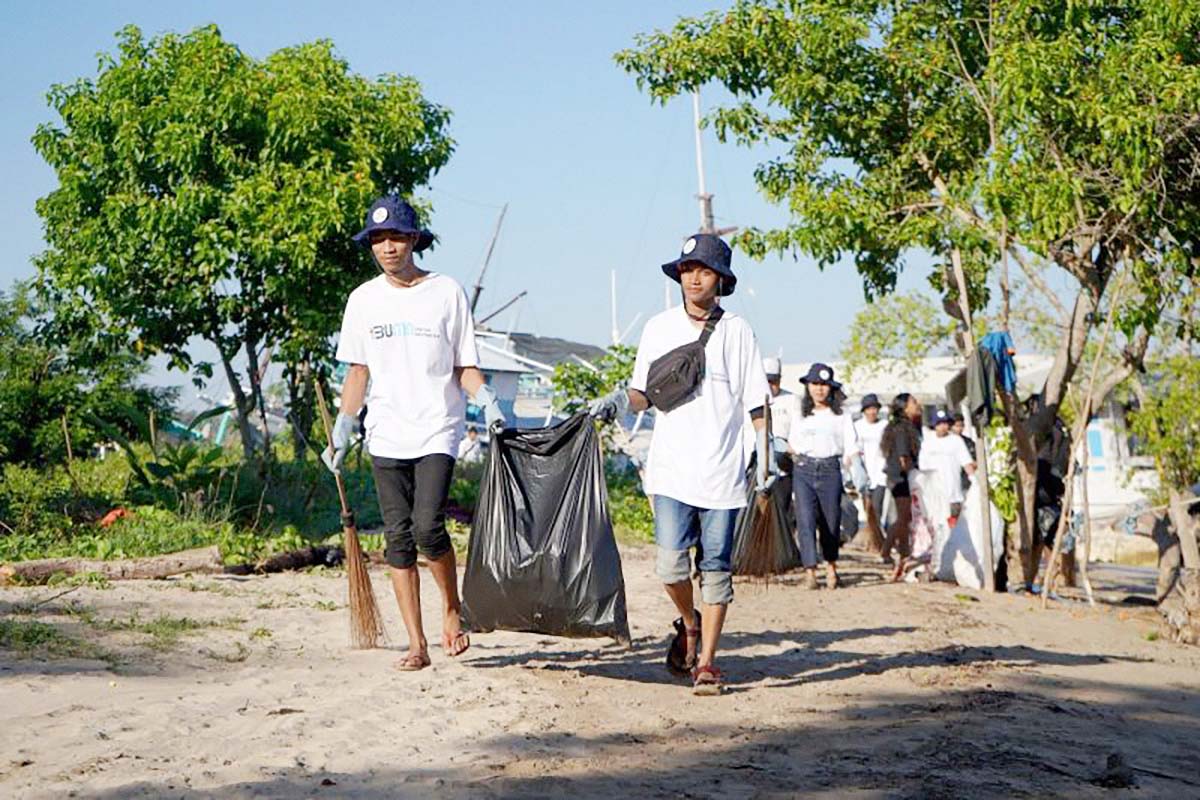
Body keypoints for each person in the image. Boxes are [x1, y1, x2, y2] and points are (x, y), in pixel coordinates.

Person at [324, 195, 507, 672]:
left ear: (414, 240)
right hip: (385, 433)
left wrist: (486, 401)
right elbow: (358, 372)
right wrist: (345, 425)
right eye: (379, 239)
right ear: (371, 245)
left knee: (428, 527)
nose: (388, 247)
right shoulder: (362, 300)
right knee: (397, 539)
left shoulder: (446, 292)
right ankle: (416, 642)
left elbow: (465, 366)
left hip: (437, 429)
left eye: (397, 237)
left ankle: (451, 608)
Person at [590, 233, 770, 696]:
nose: (693, 277)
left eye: (704, 270)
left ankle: (707, 662)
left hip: (725, 474)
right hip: (670, 471)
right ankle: (688, 622)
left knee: (717, 569)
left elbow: (756, 402)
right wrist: (618, 401)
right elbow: (644, 393)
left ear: (720, 280)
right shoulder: (659, 328)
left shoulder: (738, 332)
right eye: (688, 269)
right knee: (670, 566)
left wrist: (766, 454)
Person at [781, 363, 859, 590]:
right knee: (805, 521)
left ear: (831, 388)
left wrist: (856, 468)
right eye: (815, 384)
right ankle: (810, 572)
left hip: (830, 470)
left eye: (824, 385)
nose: (819, 390)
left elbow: (851, 445)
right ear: (808, 386)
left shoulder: (842, 415)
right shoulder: (800, 414)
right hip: (804, 469)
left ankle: (831, 567)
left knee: (831, 521)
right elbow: (792, 443)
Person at [880, 393, 922, 581]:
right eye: (913, 402)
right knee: (904, 516)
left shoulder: (903, 427)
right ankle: (889, 550)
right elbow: (903, 457)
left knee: (903, 517)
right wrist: (914, 477)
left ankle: (900, 552)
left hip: (898, 477)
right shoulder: (902, 429)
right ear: (905, 407)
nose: (917, 405)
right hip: (901, 478)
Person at [924, 408, 976, 520]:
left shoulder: (956, 441)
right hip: (935, 498)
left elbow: (967, 463)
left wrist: (974, 481)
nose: (943, 426)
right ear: (934, 425)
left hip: (954, 496)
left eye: (945, 423)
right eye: (939, 423)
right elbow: (923, 468)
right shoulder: (927, 443)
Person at [854, 394, 888, 556]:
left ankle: (877, 541)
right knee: (868, 508)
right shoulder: (858, 427)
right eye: (869, 409)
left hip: (881, 473)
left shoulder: (884, 426)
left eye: (875, 408)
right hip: (864, 473)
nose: (872, 412)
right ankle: (872, 539)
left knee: (877, 507)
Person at [952, 412, 977, 495]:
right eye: (957, 426)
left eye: (961, 425)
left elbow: (976, 460)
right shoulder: (946, 442)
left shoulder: (969, 442)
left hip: (966, 481)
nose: (960, 428)